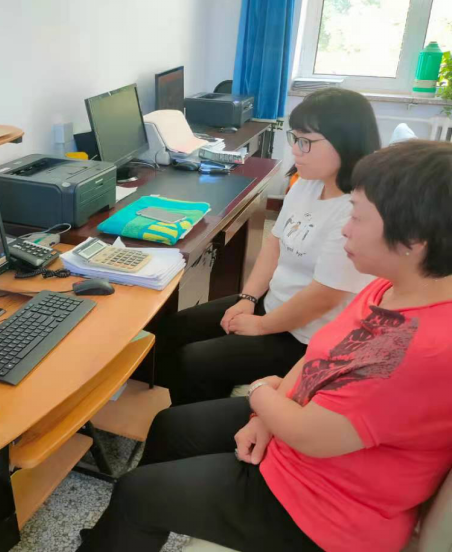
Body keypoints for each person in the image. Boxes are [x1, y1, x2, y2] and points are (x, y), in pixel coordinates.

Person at [78, 140, 453, 552]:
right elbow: (321, 352)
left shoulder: (422, 349)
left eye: (358, 216)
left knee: (137, 493)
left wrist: (260, 393)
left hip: (324, 510)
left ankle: (140, 516)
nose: (346, 227)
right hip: (305, 444)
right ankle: (134, 530)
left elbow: (310, 435)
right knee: (172, 427)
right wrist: (266, 416)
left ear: (413, 239)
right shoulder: (395, 287)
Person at [155, 88, 380, 406]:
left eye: (306, 142)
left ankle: (200, 421)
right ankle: (194, 407)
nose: (296, 150)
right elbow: (274, 243)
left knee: (196, 361)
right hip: (273, 304)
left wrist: (261, 325)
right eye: (294, 138)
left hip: (306, 337)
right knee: (175, 328)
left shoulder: (355, 210)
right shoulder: (306, 184)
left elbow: (323, 297)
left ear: (346, 142)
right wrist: (248, 299)